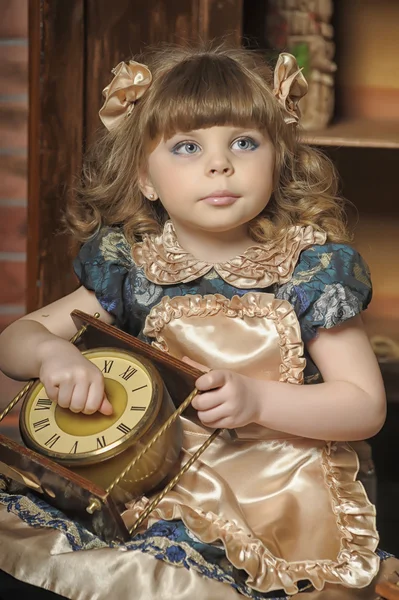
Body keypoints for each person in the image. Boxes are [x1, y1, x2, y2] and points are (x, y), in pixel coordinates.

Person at [0, 41, 396, 600]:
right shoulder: (134, 264)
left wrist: (257, 403)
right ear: (144, 178)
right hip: (156, 476)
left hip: (274, 490)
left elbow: (364, 405)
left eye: (243, 142)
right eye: (187, 146)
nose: (220, 163)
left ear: (278, 158)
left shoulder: (311, 271)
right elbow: (14, 341)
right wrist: (51, 354)